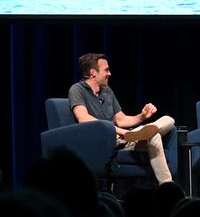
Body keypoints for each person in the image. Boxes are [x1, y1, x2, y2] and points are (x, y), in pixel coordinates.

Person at [68, 53, 175, 184]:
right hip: (104, 142)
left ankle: (167, 187)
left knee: (168, 120)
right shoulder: (77, 90)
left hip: (124, 141)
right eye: (106, 70)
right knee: (155, 136)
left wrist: (142, 116)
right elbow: (83, 118)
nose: (110, 73)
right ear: (93, 72)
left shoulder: (107, 91)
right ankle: (167, 186)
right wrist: (117, 130)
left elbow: (121, 119)